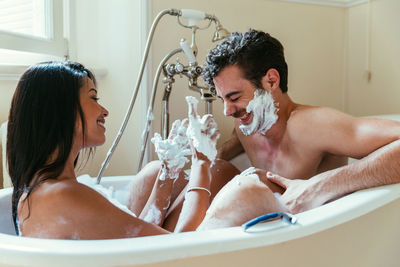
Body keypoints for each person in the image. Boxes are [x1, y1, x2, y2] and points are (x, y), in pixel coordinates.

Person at [7, 61, 231, 239]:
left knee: (159, 172)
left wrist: (168, 172)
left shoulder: (43, 190)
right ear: (60, 112)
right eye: (93, 98)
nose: (104, 110)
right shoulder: (63, 195)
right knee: (223, 175)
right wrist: (202, 162)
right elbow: (182, 249)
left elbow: (134, 238)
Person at [202, 29, 400, 214]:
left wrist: (320, 186)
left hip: (319, 235)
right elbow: (236, 143)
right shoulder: (247, 124)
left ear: (271, 81)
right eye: (223, 100)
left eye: (234, 98)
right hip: (272, 230)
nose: (227, 111)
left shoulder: (309, 125)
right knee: (215, 171)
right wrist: (209, 155)